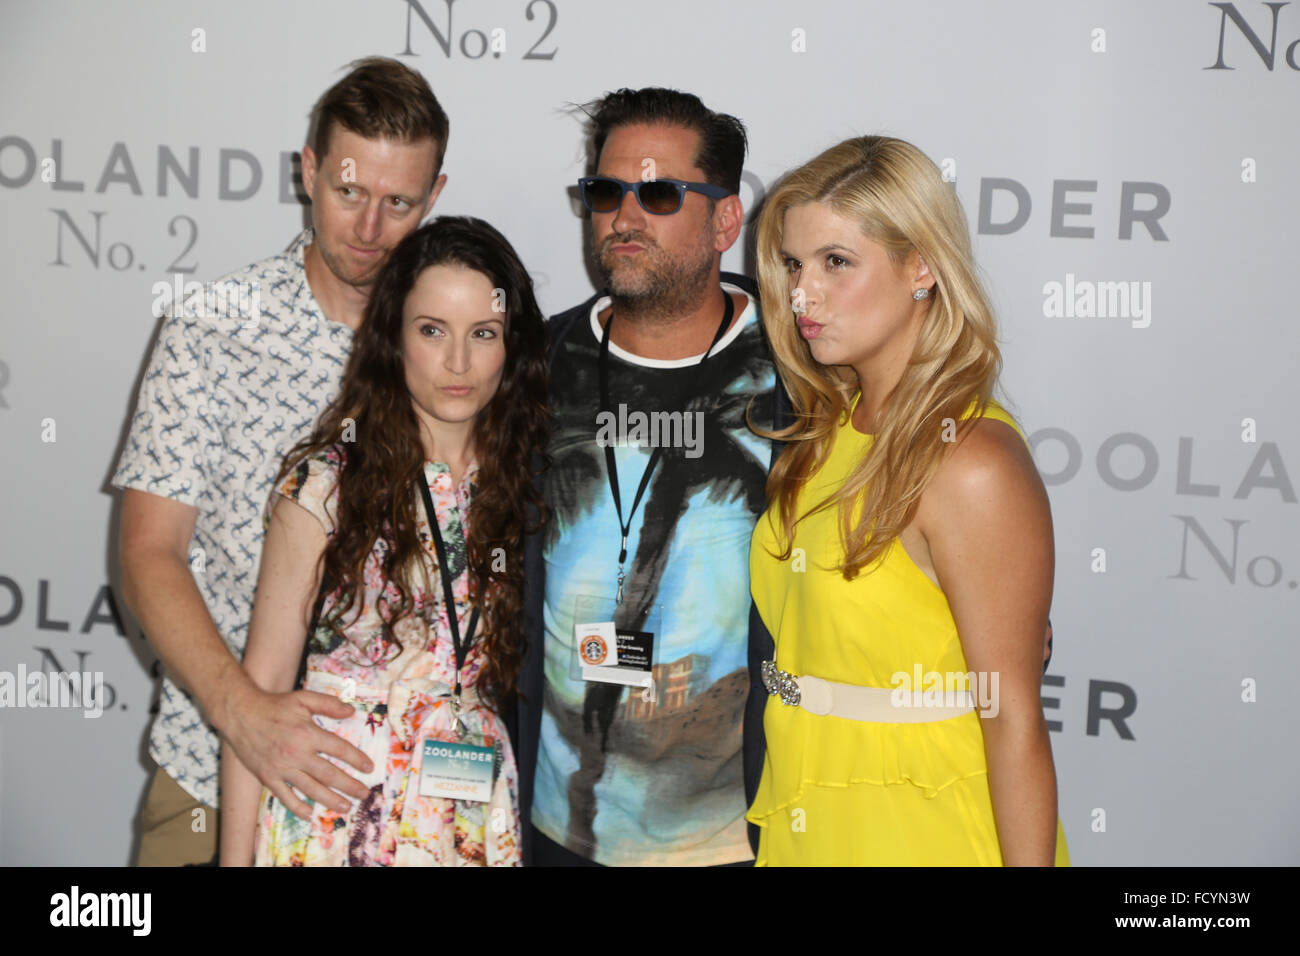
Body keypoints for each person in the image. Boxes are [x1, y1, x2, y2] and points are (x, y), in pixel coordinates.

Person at [112, 56, 449, 865]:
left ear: (436, 197)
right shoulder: (210, 330)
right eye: (348, 191)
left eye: (398, 202)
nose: (368, 229)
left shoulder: (460, 351)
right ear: (308, 171)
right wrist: (243, 713)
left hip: (402, 806)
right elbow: (148, 552)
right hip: (208, 777)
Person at [745, 135, 1070, 866]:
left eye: (837, 262)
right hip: (811, 807)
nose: (803, 294)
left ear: (922, 265)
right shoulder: (829, 428)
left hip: (923, 828)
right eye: (794, 265)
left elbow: (1012, 717)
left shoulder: (971, 460)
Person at [219, 216, 549, 866]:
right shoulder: (328, 483)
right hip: (334, 810)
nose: (458, 363)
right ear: (394, 338)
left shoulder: (531, 482)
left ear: (512, 344)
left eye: (483, 334)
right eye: (432, 331)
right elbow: (256, 703)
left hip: (469, 817)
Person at [516, 88, 788, 866]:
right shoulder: (530, 366)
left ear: (726, 221)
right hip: (555, 831)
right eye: (606, 192)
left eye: (660, 193)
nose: (623, 217)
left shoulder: (804, 375)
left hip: (735, 841)